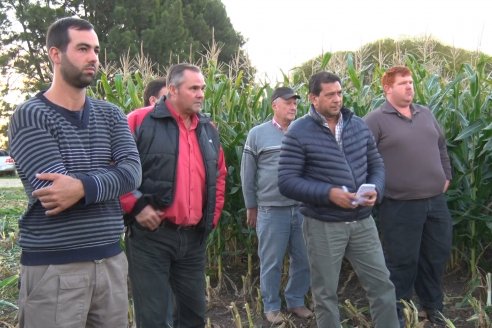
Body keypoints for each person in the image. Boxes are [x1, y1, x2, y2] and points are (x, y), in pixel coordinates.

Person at [8, 17, 142, 328]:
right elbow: (55, 193)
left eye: (96, 49)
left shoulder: (111, 115)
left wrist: (81, 186)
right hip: (55, 268)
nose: (94, 57)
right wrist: (108, 176)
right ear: (56, 54)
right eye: (82, 48)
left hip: (110, 263)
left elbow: (133, 172)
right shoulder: (31, 115)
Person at [277, 71, 399, 327]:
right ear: (313, 98)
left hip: (362, 222)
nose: (337, 99)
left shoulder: (357, 124)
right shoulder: (299, 131)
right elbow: (287, 181)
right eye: (330, 94)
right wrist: (328, 193)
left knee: (382, 285)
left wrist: (375, 188)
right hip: (323, 224)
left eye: (340, 93)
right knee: (325, 294)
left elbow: (376, 164)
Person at [120, 63, 227, 327]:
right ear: (172, 90)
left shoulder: (208, 129)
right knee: (154, 317)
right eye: (193, 88)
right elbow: (115, 167)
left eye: (202, 88)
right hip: (152, 238)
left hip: (192, 240)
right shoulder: (139, 120)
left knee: (193, 315)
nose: (201, 94)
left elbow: (220, 175)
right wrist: (135, 205)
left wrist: (210, 219)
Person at [364, 66, 453, 326]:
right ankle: (400, 314)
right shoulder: (376, 119)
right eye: (403, 83)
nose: (410, 87)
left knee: (435, 257)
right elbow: (363, 158)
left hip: (435, 202)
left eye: (411, 82)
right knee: (402, 262)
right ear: (387, 88)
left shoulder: (425, 113)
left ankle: (433, 307)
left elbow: (441, 145)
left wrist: (446, 175)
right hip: (399, 205)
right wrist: (375, 190)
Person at [240, 87, 312, 324]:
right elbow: (247, 174)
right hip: (271, 210)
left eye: (295, 103)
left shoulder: (304, 132)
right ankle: (271, 306)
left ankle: (295, 301)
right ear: (274, 105)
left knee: (303, 258)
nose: (293, 107)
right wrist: (251, 206)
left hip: (302, 208)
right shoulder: (258, 134)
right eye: (288, 103)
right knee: (271, 261)